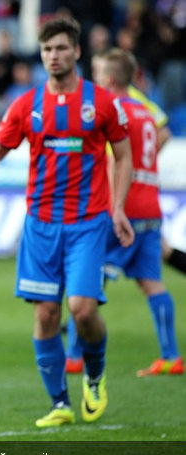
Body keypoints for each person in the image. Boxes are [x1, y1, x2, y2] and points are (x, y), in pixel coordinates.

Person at [0, 17, 135, 428]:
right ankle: (60, 403)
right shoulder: (26, 105)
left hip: (88, 223)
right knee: (46, 316)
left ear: (77, 52)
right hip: (40, 224)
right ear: (41, 55)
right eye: (47, 50)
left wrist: (119, 207)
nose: (54, 56)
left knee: (83, 310)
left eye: (60, 48)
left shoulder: (102, 103)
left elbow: (122, 156)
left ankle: (94, 375)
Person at [64, 49, 185, 373]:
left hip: (121, 205)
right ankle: (171, 357)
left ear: (111, 79)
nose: (96, 79)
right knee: (152, 283)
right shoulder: (145, 112)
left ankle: (74, 356)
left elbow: (105, 157)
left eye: (101, 74)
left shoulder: (111, 110)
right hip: (150, 206)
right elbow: (157, 139)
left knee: (88, 277)